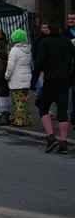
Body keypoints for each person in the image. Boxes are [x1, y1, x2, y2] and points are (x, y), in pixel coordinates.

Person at [35, 25, 75, 154]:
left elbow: (39, 62)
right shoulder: (67, 42)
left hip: (50, 80)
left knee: (43, 107)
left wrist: (33, 81)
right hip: (65, 81)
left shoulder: (45, 42)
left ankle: (51, 137)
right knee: (63, 111)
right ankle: (63, 142)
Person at [5, 29, 32, 127]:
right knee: (24, 101)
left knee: (18, 102)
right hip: (27, 78)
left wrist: (6, 76)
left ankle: (19, 121)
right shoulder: (28, 49)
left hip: (16, 80)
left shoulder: (14, 50)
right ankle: (27, 120)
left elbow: (10, 66)